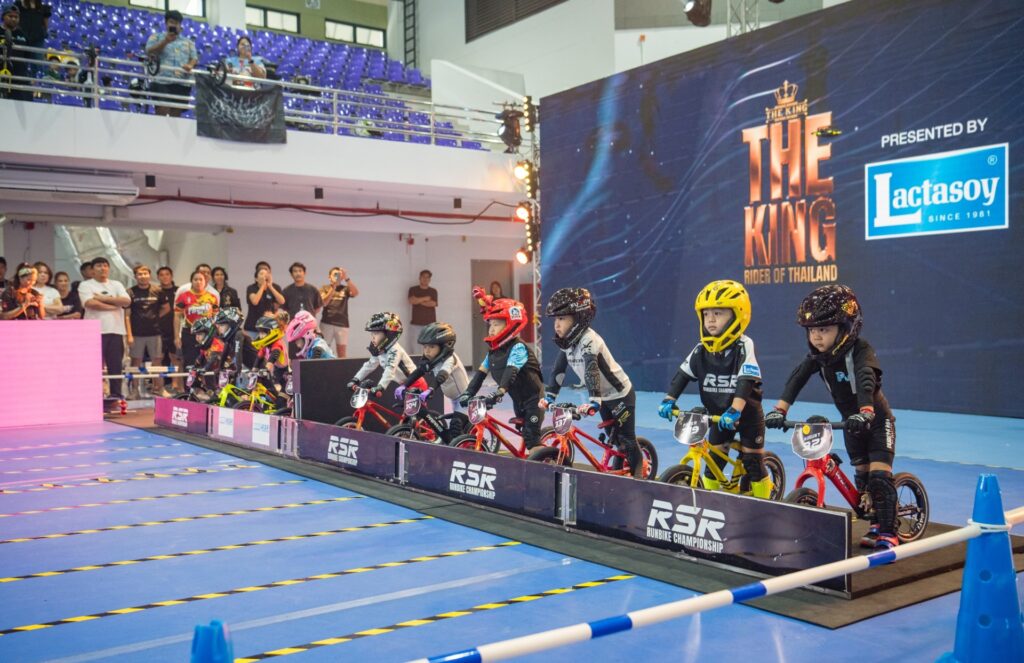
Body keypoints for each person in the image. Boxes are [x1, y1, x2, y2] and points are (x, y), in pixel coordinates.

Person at [765, 285, 899, 550]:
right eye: (811, 330)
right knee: (861, 477)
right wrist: (780, 410)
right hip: (852, 424)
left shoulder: (861, 350)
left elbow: (866, 379)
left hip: (876, 421)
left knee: (879, 478)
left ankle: (887, 531)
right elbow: (798, 378)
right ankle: (873, 518)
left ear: (846, 328)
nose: (816, 336)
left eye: (824, 329)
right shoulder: (819, 357)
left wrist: (866, 411)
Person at [657, 280, 771, 498]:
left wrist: (735, 410)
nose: (710, 319)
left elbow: (746, 380)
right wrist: (669, 399)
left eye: (718, 313)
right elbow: (683, 375)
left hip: (746, 416)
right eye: (706, 313)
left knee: (753, 462)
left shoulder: (744, 345)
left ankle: (767, 507)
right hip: (718, 415)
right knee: (713, 463)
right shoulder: (701, 349)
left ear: (738, 316)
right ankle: (711, 503)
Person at [542, 287, 643, 478]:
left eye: (562, 318)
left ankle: (640, 478)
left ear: (578, 318)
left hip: (619, 394)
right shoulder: (568, 343)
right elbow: (558, 371)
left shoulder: (590, 340)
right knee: (614, 439)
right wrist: (549, 397)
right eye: (555, 319)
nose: (556, 325)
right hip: (602, 397)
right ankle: (619, 463)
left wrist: (594, 401)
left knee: (627, 440)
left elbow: (591, 369)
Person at [458, 290, 545, 449]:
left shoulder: (518, 347)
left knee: (532, 439)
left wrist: (499, 392)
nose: (491, 329)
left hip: (534, 400)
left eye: (496, 324)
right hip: (518, 400)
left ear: (510, 324)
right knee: (524, 435)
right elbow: (480, 374)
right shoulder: (493, 351)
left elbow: (511, 372)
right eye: (490, 324)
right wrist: (468, 392)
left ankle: (545, 459)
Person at [79, 257, 132, 404]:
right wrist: (114, 304)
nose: (102, 268)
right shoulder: (86, 285)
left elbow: (126, 301)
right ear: (92, 270)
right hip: (94, 331)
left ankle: (115, 395)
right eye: (98, 266)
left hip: (116, 330)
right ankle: (93, 394)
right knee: (94, 366)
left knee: (115, 365)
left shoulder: (116, 284)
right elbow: (90, 303)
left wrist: (102, 298)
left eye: (105, 265)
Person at [396, 322, 469, 413]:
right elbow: (419, 371)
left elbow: (441, 376)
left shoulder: (451, 359)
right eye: (425, 347)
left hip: (465, 398)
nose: (427, 351)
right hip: (453, 398)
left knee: (457, 422)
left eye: (432, 346)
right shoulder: (434, 358)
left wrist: (431, 389)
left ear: (444, 346)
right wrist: (405, 385)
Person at [348, 312, 425, 395]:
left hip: (417, 385)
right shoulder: (380, 349)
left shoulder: (395, 350)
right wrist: (356, 379)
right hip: (405, 385)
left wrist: (381, 387)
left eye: (376, 333)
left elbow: (390, 370)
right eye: (372, 333)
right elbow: (370, 365)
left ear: (389, 334)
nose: (373, 337)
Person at [125, 265, 171, 397]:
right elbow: (127, 315)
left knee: (157, 361)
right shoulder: (130, 292)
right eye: (140, 274)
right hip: (136, 334)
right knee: (135, 362)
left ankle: (160, 388)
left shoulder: (158, 290)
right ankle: (134, 391)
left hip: (155, 333)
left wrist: (154, 317)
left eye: (145, 273)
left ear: (149, 275)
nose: (143, 276)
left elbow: (166, 308)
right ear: (135, 276)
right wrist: (129, 335)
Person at [145, 9, 197, 117]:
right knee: (162, 110)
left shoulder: (188, 42)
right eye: (171, 22)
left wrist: (190, 65)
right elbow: (149, 51)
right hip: (161, 81)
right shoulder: (156, 37)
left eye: (177, 23)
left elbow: (194, 58)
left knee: (176, 114)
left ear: (180, 25)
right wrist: (166, 41)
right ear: (166, 23)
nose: (174, 25)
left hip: (181, 82)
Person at [174, 270, 218, 370]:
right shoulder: (183, 296)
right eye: (195, 279)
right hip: (189, 334)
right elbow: (176, 316)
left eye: (201, 279)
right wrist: (177, 337)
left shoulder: (212, 297)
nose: (198, 282)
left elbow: (216, 317)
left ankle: (208, 381)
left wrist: (217, 336)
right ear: (191, 281)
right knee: (190, 363)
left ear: (205, 282)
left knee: (209, 362)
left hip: (208, 334)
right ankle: (191, 380)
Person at [283, 262, 322, 358]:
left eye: (300, 271)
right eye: (295, 271)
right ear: (291, 274)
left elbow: (317, 308)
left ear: (304, 273)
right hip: (294, 329)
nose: (298, 273)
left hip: (310, 328)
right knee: (294, 356)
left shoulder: (312, 289)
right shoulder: (287, 290)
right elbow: (285, 309)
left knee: (311, 354)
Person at [318, 266, 359, 358]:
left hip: (342, 324)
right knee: (323, 350)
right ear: (329, 277)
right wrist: (333, 287)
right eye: (335, 274)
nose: (337, 277)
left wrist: (346, 278)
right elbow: (324, 302)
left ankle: (342, 368)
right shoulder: (324, 288)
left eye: (339, 275)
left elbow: (355, 293)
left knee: (341, 351)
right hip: (326, 322)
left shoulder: (345, 289)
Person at [244, 262, 285, 333]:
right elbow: (255, 301)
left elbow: (282, 301)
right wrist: (263, 286)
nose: (264, 276)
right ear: (256, 279)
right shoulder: (251, 288)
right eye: (261, 274)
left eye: (266, 273)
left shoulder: (274, 287)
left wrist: (270, 286)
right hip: (253, 326)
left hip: (269, 326)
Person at [1, 5, 30, 101]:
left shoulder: (23, 34)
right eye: (10, 16)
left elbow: (27, 55)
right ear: (3, 16)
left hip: (18, 77)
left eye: (16, 17)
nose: (13, 19)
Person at [407, 269, 438, 342]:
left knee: (430, 345)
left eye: (427, 277)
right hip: (416, 323)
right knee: (416, 346)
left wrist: (418, 301)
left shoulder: (433, 291)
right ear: (419, 278)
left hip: (430, 324)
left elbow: (433, 304)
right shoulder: (413, 289)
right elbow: (411, 301)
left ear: (430, 279)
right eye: (423, 277)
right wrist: (425, 298)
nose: (425, 279)